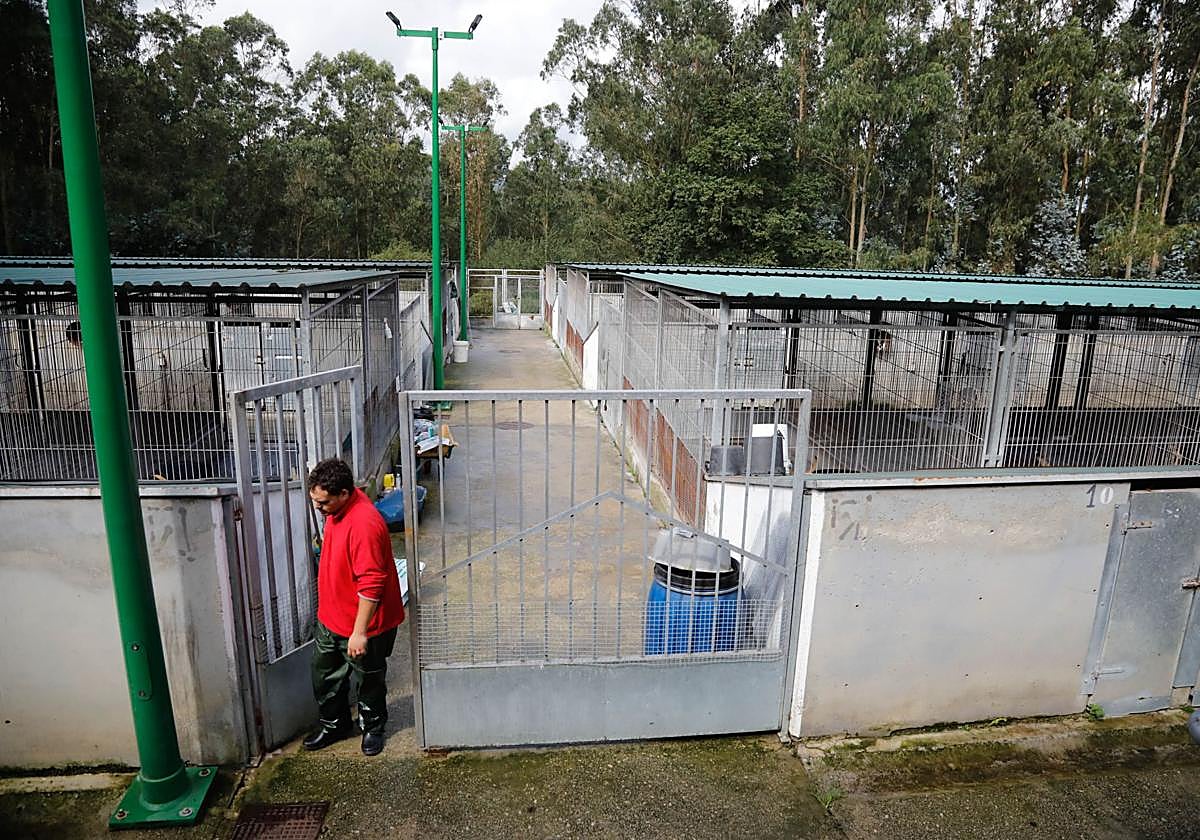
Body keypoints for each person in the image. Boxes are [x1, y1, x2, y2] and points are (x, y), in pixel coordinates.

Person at [303, 458, 404, 755]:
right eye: (316, 502)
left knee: (369, 679)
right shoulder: (338, 509)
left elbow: (372, 582)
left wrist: (359, 633)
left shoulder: (364, 524)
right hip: (332, 616)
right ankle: (334, 725)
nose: (319, 510)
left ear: (345, 494)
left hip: (364, 625)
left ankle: (373, 727)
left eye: (324, 503)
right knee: (324, 675)